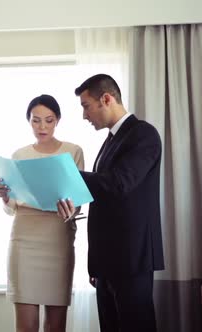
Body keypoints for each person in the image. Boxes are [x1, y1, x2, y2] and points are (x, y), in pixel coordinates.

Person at [57, 74, 165, 332]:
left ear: (106, 99)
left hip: (131, 258)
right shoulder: (109, 142)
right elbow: (102, 198)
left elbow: (118, 184)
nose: (84, 115)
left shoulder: (144, 134)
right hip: (107, 263)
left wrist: (65, 174)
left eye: (86, 106)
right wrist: (95, 264)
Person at [0, 94, 84, 332]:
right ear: (28, 121)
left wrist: (70, 208)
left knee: (56, 325)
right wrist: (3, 194)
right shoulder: (19, 155)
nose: (42, 127)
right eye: (36, 120)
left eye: (49, 120)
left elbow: (78, 204)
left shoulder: (73, 152)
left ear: (58, 121)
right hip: (24, 240)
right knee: (26, 326)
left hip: (58, 240)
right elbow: (11, 206)